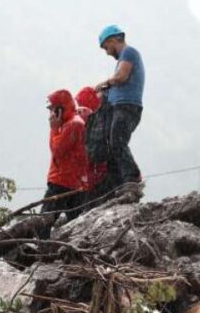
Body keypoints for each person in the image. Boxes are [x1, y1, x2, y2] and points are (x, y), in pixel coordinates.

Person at [95, 25, 145, 199]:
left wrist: (105, 83)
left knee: (117, 141)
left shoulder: (129, 52)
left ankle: (132, 179)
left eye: (106, 47)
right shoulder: (123, 58)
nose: (107, 52)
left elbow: (122, 77)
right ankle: (119, 185)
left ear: (114, 40)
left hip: (127, 106)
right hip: (120, 106)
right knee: (112, 145)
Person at [41, 89, 90, 238]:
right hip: (75, 182)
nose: (51, 114)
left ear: (60, 109)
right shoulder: (73, 123)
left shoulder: (73, 125)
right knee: (74, 222)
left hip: (62, 182)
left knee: (44, 221)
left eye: (53, 110)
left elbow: (57, 151)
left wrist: (54, 130)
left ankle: (41, 253)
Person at [75, 86, 109, 203]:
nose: (78, 112)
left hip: (98, 178)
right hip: (94, 178)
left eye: (81, 107)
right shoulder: (103, 119)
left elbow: (92, 154)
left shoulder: (96, 122)